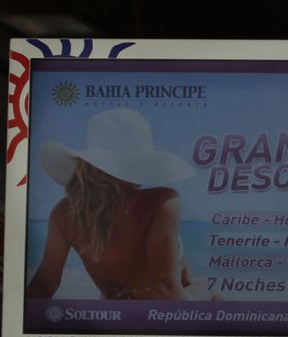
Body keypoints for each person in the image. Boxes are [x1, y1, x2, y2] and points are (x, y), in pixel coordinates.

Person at [26, 107, 195, 300]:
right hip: (157, 316)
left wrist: (25, 320)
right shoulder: (162, 202)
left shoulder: (64, 213)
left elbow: (46, 281)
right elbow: (166, 286)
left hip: (109, 315)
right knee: (215, 297)